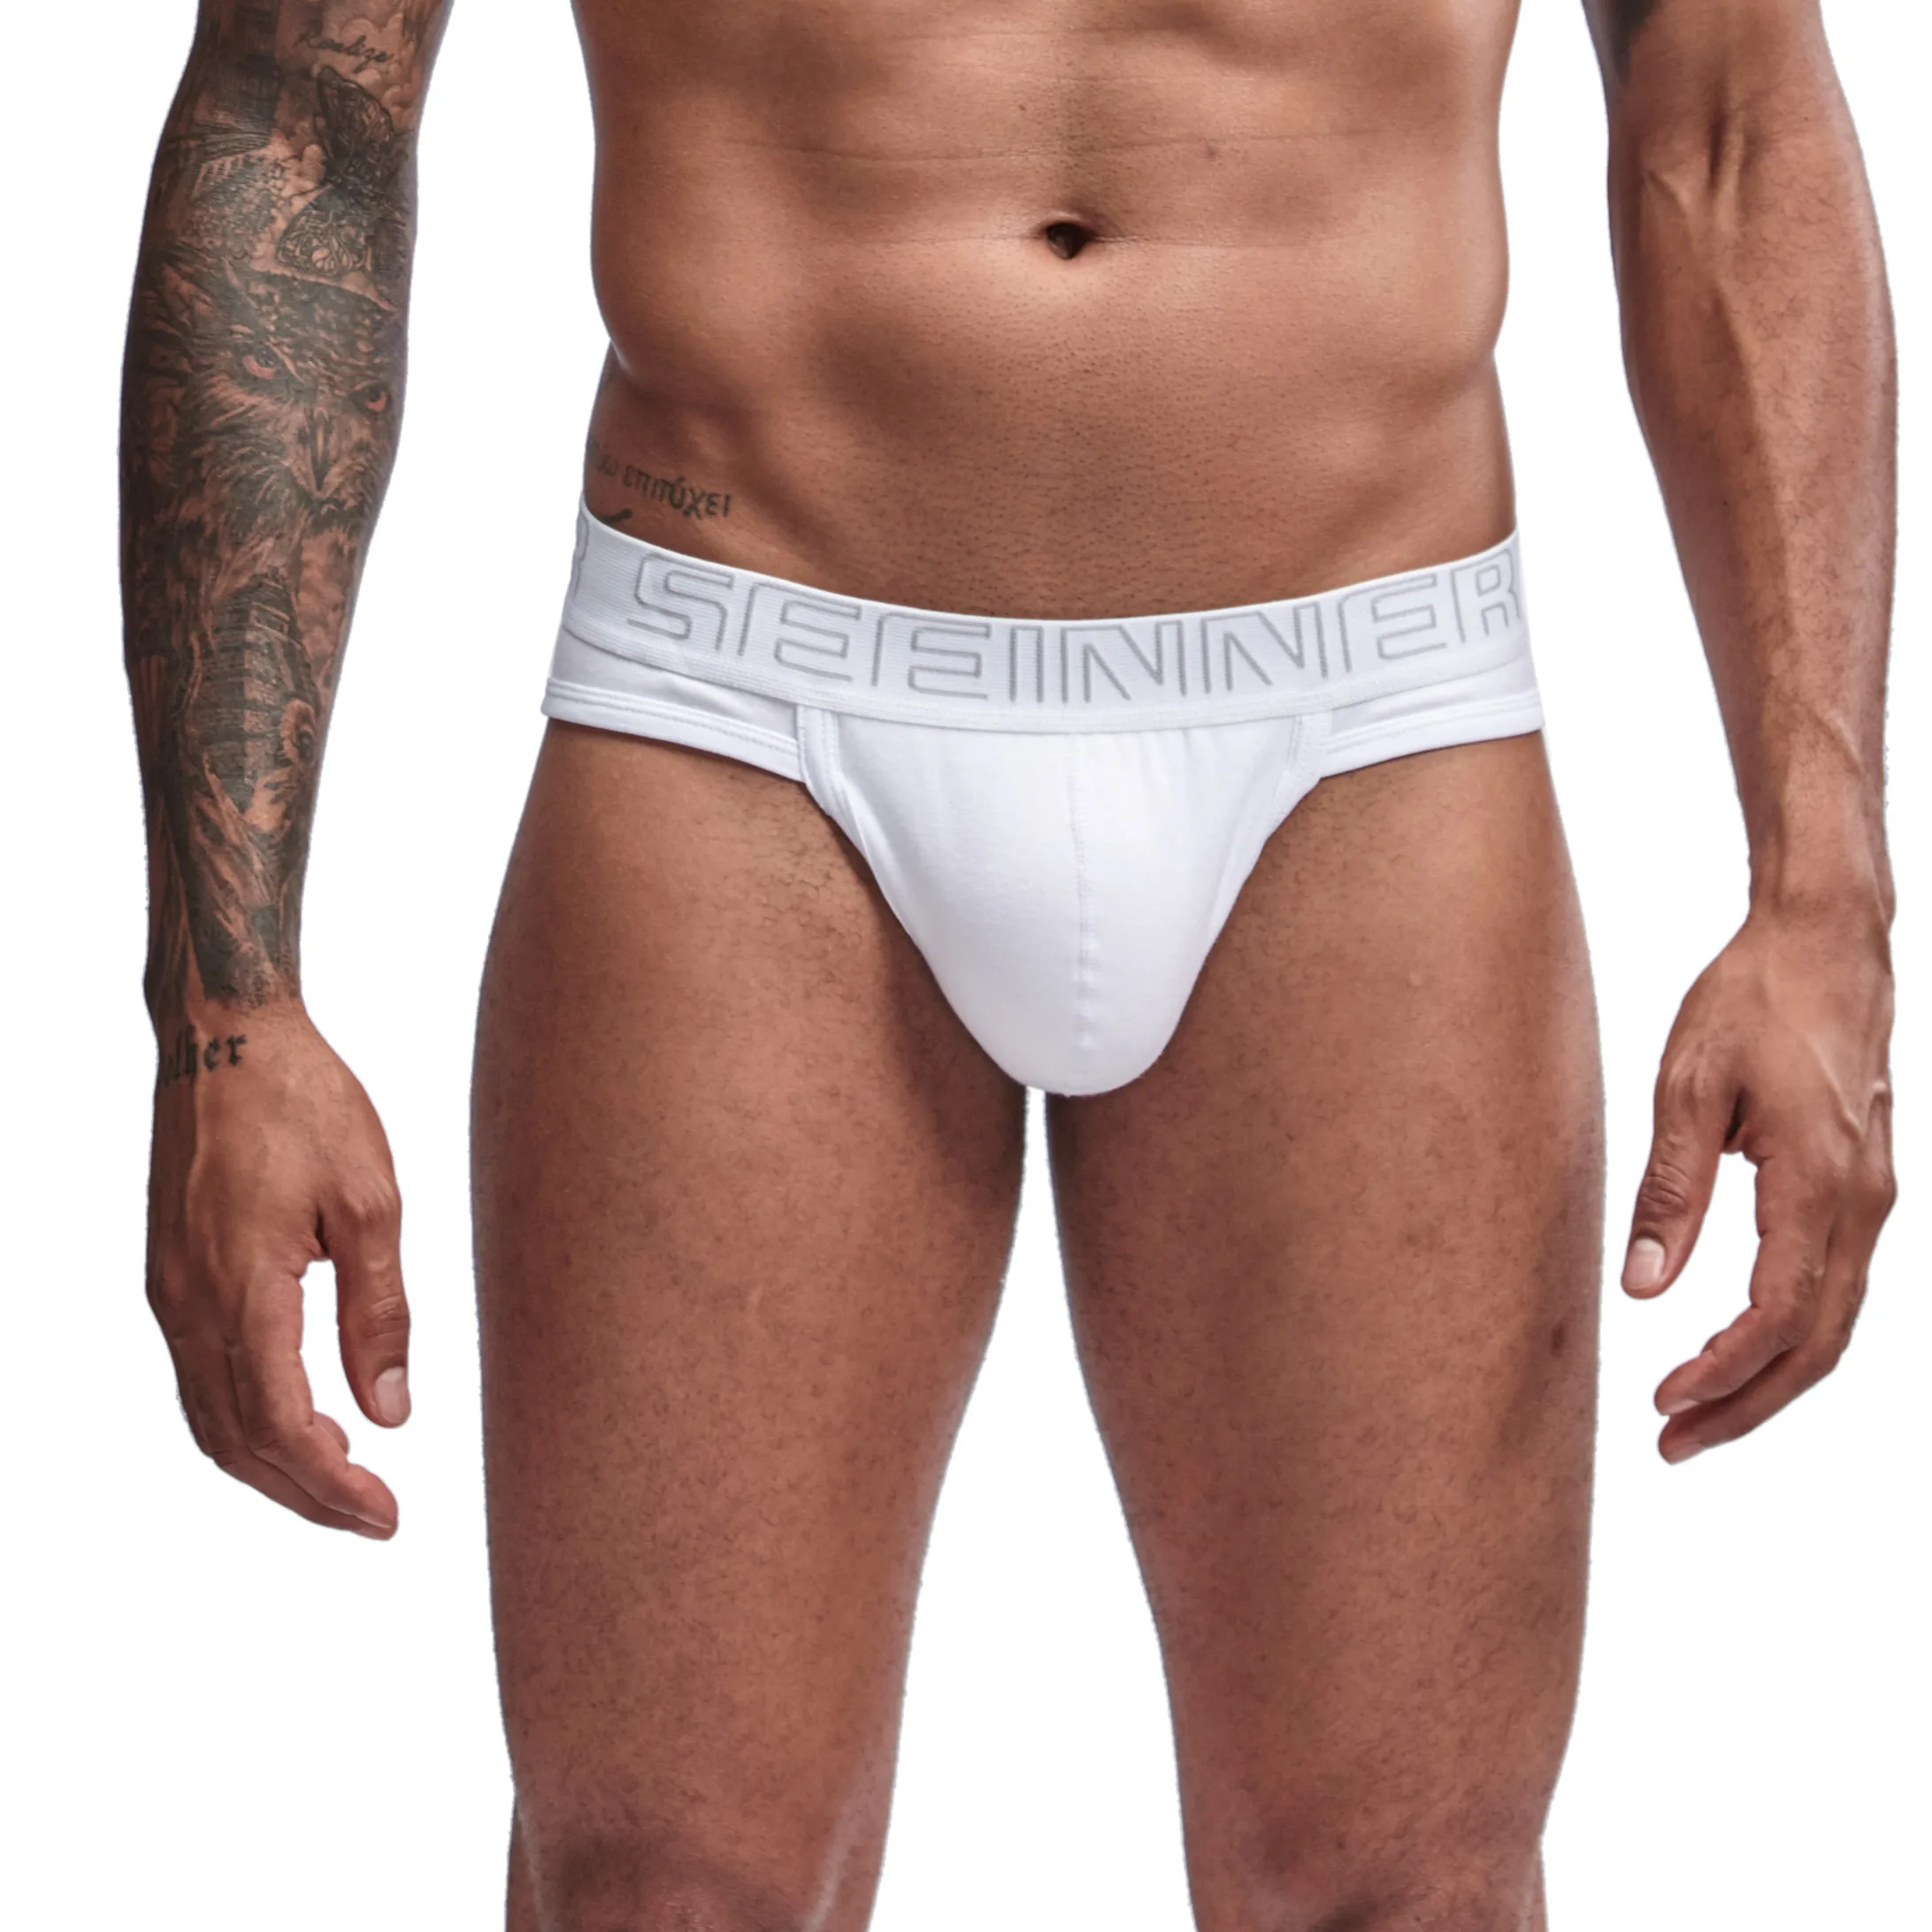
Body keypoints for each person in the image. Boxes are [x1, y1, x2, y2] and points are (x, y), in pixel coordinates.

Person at [120, 1, 1897, 1925]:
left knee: (1410, 1892)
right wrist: (226, 1008)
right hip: (744, 687)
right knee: (665, 1890)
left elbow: (1728, 115)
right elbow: (302, 112)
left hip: (1366, 703)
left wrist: (1825, 895)